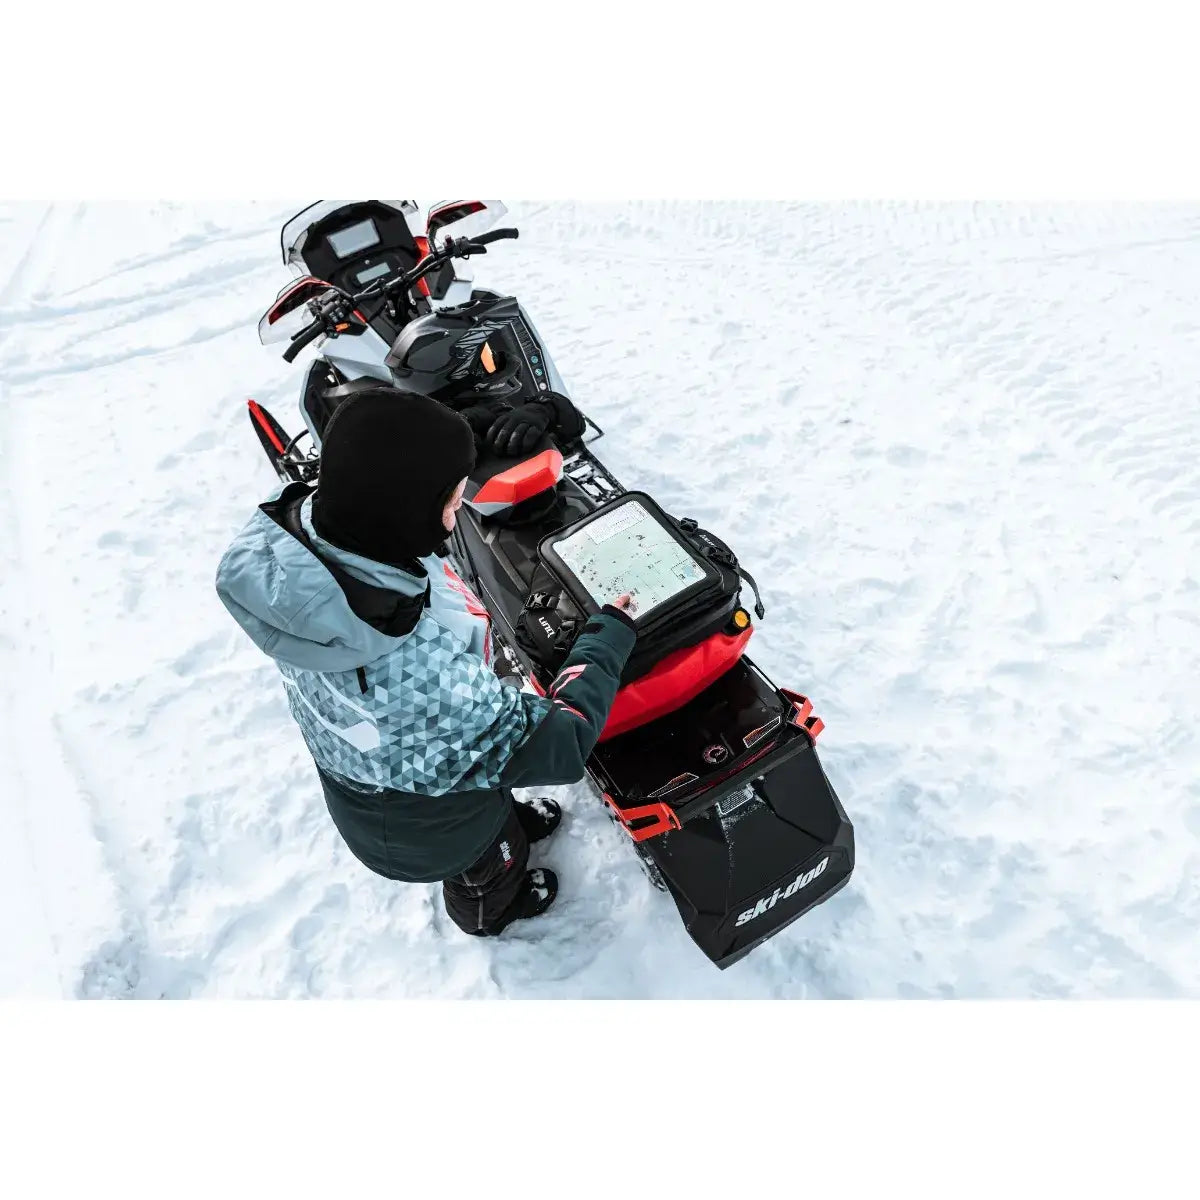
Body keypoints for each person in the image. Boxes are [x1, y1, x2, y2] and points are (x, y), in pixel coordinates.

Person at [215, 387, 637, 936]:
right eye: (452, 498)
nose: (459, 508)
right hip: (426, 828)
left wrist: (510, 416)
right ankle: (491, 910)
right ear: (407, 508)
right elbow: (561, 744)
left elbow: (389, 440)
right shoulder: (420, 680)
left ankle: (503, 828)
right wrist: (606, 636)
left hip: (386, 769)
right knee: (485, 865)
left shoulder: (316, 530)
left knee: (488, 783)